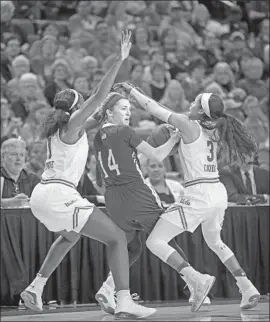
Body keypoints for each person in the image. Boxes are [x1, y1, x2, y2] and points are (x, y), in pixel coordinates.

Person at [20, 30, 156, 319]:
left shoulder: (67, 127)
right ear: (75, 108)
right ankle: (123, 300)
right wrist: (118, 60)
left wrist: (124, 95)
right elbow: (98, 97)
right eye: (81, 104)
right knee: (118, 239)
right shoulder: (72, 124)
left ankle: (36, 287)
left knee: (69, 237)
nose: (86, 107)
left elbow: (100, 109)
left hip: (43, 196)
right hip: (59, 194)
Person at [117, 83, 260, 311]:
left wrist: (131, 91)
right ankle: (247, 286)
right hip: (216, 190)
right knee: (215, 241)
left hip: (198, 193)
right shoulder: (215, 129)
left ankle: (196, 278)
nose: (190, 104)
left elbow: (154, 108)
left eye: (195, 102)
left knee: (155, 241)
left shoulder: (188, 125)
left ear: (201, 111)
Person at [92, 91, 211, 314]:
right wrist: (174, 139)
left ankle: (108, 288)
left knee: (132, 245)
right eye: (123, 108)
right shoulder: (125, 131)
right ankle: (195, 279)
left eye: (129, 109)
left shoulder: (97, 137)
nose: (128, 113)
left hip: (113, 198)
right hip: (136, 192)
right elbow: (156, 156)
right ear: (109, 112)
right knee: (162, 236)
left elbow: (116, 164)